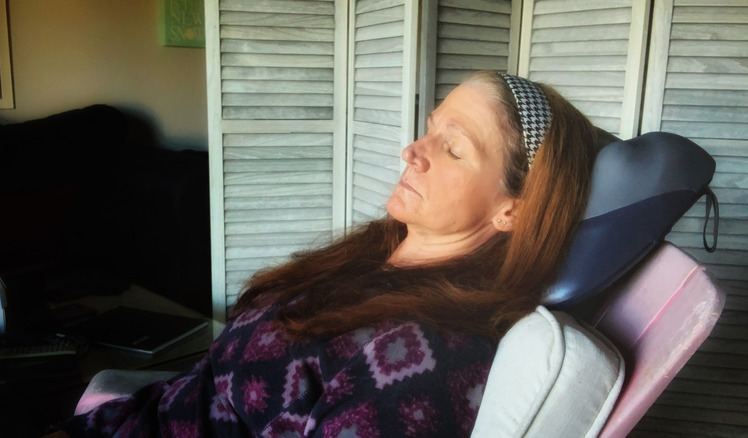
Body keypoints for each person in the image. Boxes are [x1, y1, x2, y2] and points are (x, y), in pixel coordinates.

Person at [46, 71, 597, 437]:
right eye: (430, 130)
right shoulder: (373, 254)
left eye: (453, 147)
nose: (412, 151)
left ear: (514, 210)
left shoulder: (426, 357)